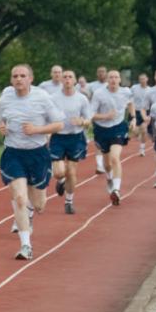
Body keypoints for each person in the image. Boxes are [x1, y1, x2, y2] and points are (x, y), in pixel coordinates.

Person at [0, 65, 65, 258]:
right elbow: (1, 122)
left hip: (38, 154)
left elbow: (59, 124)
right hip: (13, 153)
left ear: (31, 79)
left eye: (23, 76)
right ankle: (26, 245)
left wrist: (36, 130)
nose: (18, 79)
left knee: (39, 205)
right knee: (19, 197)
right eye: (15, 76)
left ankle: (30, 212)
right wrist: (1, 128)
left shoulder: (42, 97)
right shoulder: (5, 98)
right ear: (11, 80)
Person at [49, 70, 92, 215]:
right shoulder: (53, 98)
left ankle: (69, 202)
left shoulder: (82, 99)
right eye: (65, 77)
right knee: (59, 172)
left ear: (75, 81)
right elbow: (47, 117)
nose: (67, 79)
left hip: (76, 137)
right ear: (61, 79)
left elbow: (88, 121)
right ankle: (60, 181)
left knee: (72, 172)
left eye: (70, 77)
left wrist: (82, 121)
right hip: (58, 137)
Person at [89, 69, 134, 205]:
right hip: (102, 129)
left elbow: (131, 103)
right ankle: (109, 178)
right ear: (107, 80)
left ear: (120, 80)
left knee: (115, 157)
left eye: (116, 77)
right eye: (111, 77)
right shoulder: (99, 94)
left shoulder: (126, 92)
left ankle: (116, 189)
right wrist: (105, 116)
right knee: (107, 163)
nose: (113, 80)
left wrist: (133, 118)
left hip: (118, 127)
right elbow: (91, 114)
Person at [88, 65, 109, 174]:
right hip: (97, 117)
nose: (101, 74)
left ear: (106, 73)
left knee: (109, 145)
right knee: (98, 142)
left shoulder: (110, 84)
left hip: (110, 118)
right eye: (99, 72)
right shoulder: (92, 86)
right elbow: (88, 98)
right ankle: (99, 165)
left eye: (103, 72)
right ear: (97, 74)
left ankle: (107, 162)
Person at [130, 73, 151, 156]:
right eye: (140, 79)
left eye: (143, 79)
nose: (142, 80)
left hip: (146, 111)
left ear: (147, 79)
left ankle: (142, 149)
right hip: (135, 111)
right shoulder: (134, 88)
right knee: (134, 131)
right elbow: (129, 98)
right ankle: (138, 134)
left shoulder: (150, 90)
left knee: (144, 129)